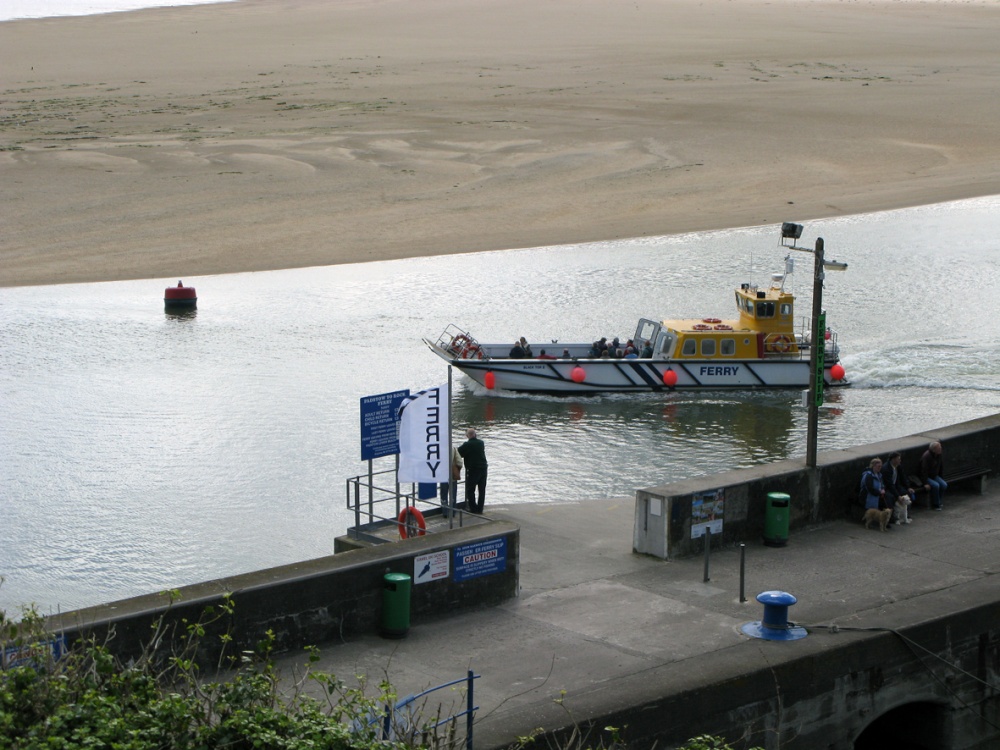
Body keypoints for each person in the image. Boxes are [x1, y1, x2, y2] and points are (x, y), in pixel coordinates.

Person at [458, 428, 488, 514]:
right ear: (475, 434)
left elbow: (458, 453)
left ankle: (473, 509)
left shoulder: (467, 445)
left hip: (473, 470)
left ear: (467, 436)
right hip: (483, 469)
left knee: (470, 490)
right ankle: (480, 509)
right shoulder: (481, 443)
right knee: (482, 490)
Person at [881, 451, 914, 524]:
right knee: (890, 497)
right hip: (887, 488)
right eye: (898, 459)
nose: (900, 460)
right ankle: (893, 518)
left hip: (896, 485)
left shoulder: (898, 466)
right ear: (893, 459)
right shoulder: (886, 469)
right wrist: (898, 496)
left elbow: (903, 477)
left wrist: (908, 487)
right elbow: (889, 484)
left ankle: (905, 515)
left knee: (907, 494)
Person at [920, 440, 947, 510]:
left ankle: (939, 501)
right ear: (934, 450)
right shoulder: (927, 456)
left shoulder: (939, 455)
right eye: (939, 448)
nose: (941, 449)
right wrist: (925, 483)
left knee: (944, 484)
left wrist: (941, 477)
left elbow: (941, 467)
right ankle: (936, 504)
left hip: (934, 475)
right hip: (926, 477)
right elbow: (923, 471)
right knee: (936, 485)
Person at [860, 458, 888, 523]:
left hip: (877, 494)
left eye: (880, 466)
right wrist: (879, 492)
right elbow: (870, 488)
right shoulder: (868, 475)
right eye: (878, 466)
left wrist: (883, 489)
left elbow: (882, 484)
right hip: (867, 496)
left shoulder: (879, 475)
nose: (880, 468)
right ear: (873, 466)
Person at [438, 446, 463, 519]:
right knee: (453, 494)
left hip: (443, 475)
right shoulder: (453, 449)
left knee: (443, 494)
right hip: (452, 476)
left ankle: (445, 512)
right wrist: (457, 469)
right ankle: (453, 512)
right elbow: (460, 462)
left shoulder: (439, 448)